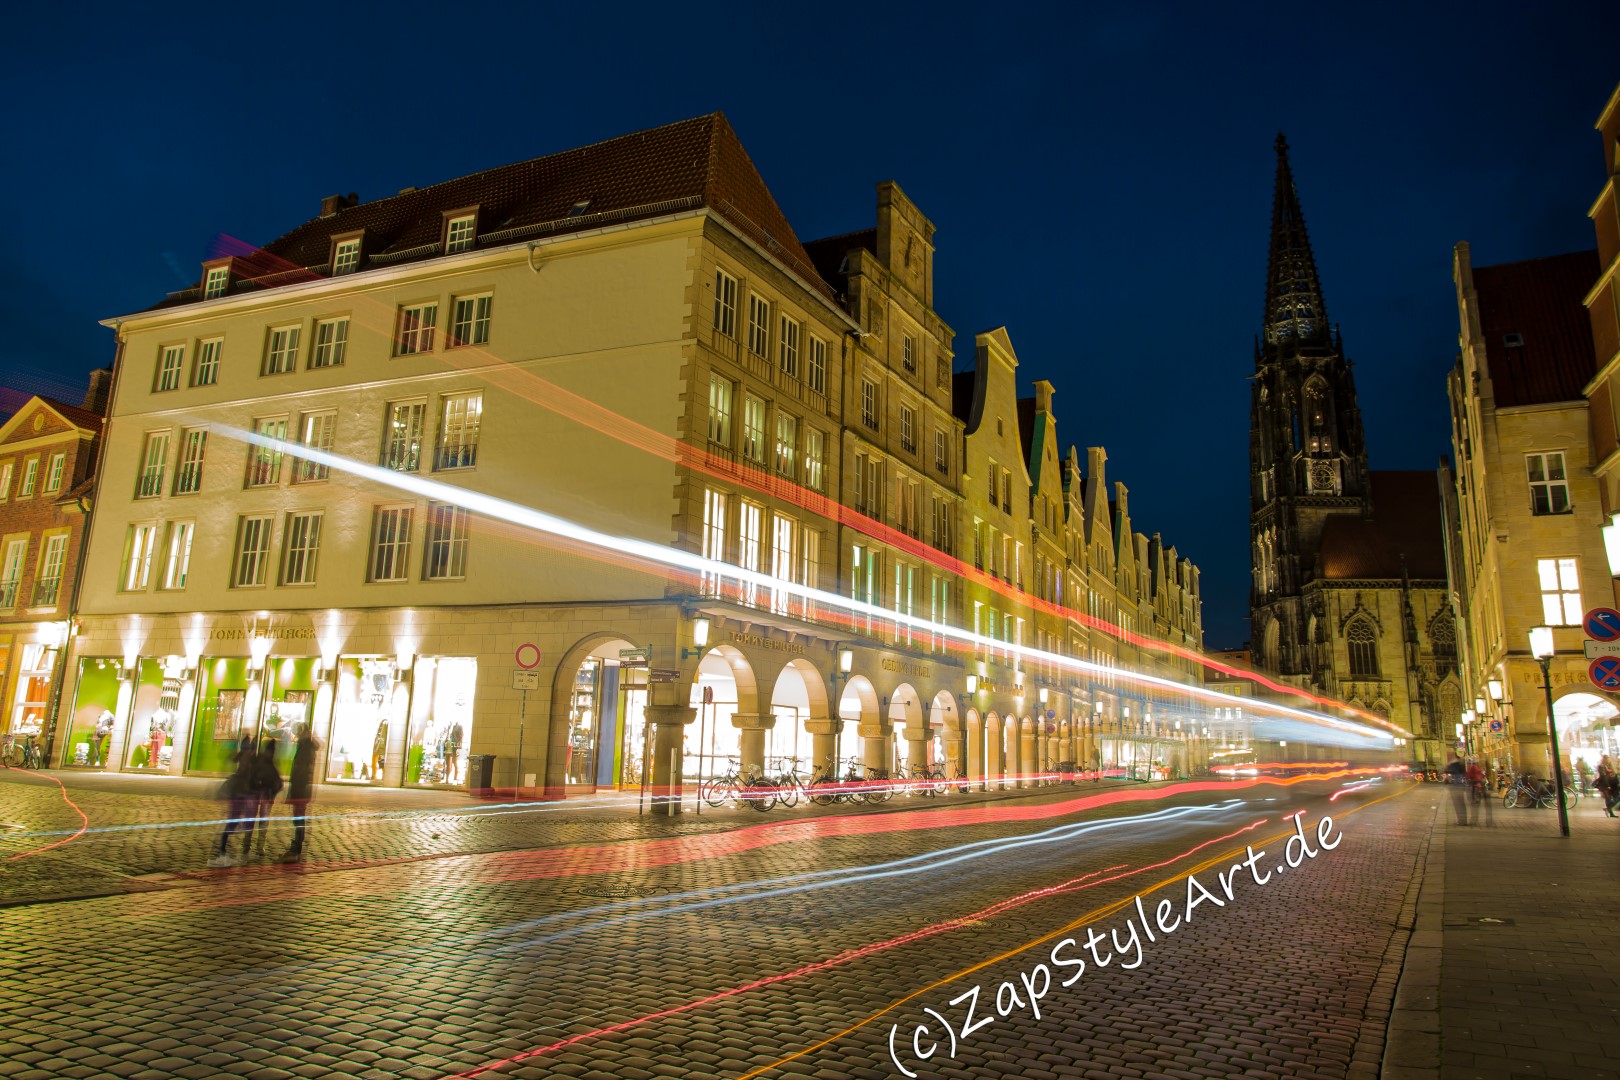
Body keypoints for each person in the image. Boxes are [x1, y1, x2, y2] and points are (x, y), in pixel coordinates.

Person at [210, 742, 258, 867]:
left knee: (233, 822)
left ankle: (224, 851)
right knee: (235, 823)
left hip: (238, 793)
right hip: (241, 794)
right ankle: (223, 852)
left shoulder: (241, 758)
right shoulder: (248, 762)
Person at [281, 724, 319, 863]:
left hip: (301, 788)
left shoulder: (305, 746)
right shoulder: (306, 746)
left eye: (297, 731)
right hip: (302, 788)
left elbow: (300, 770)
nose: (295, 734)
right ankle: (296, 848)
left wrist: (294, 791)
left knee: (298, 819)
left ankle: (296, 849)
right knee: (298, 819)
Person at [246, 736, 283, 857]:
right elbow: (277, 783)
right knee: (261, 821)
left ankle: (249, 846)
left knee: (254, 820)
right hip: (263, 795)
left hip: (259, 794)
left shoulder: (260, 761)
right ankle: (257, 846)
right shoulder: (270, 765)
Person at [1444, 753, 1469, 825]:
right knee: (1461, 804)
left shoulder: (1453, 765)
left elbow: (1447, 771)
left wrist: (1447, 766)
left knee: (1458, 804)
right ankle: (1463, 820)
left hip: (1455, 786)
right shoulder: (1460, 764)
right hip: (1460, 785)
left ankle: (1461, 821)